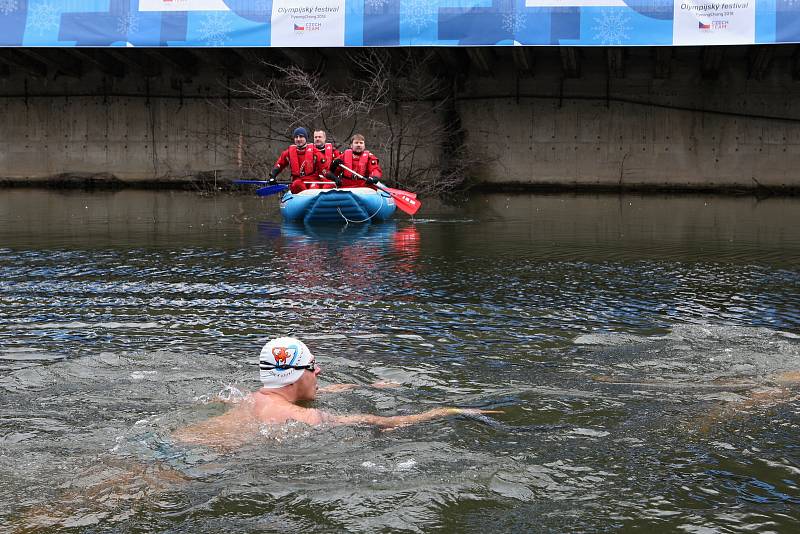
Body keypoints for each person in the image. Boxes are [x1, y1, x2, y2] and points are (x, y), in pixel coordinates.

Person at [172, 337, 498, 449]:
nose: (319, 372)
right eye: (313, 366)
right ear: (296, 373)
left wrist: (368, 386)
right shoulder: (305, 416)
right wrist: (449, 412)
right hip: (196, 463)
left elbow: (314, 389)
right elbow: (382, 422)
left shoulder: (247, 398)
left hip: (180, 441)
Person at [269, 127, 332, 194]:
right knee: (297, 184)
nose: (298, 139)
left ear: (306, 138)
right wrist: (272, 177)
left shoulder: (315, 152)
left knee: (315, 186)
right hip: (297, 181)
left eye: (301, 137)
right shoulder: (288, 153)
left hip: (312, 181)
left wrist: (334, 178)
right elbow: (279, 165)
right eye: (296, 137)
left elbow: (324, 169)